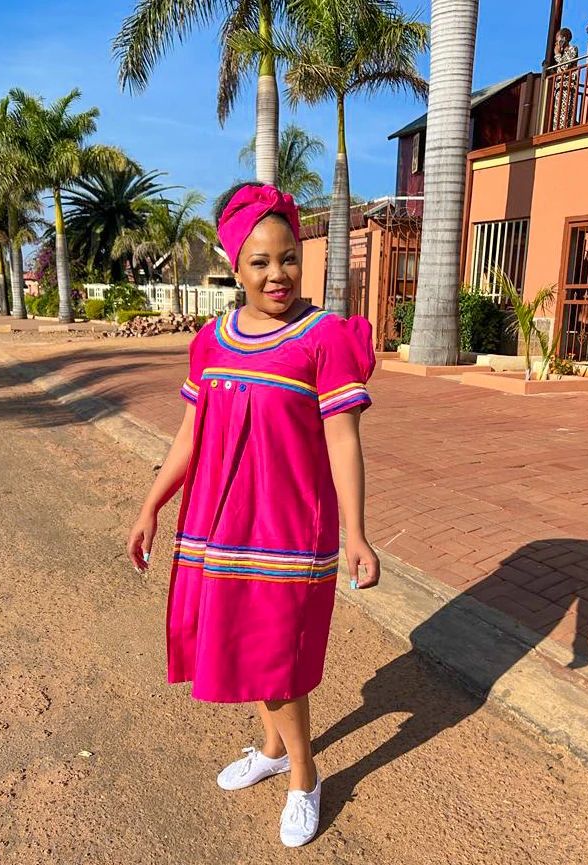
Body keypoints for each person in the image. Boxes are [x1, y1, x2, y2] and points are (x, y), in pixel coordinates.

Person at [127, 181, 380, 847]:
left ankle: (304, 777)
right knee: (245, 644)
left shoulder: (324, 338)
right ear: (234, 266)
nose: (278, 274)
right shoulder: (211, 340)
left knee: (275, 660)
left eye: (289, 257)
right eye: (260, 261)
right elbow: (191, 434)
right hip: (220, 526)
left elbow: (343, 440)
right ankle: (271, 750)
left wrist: (357, 532)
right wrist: (152, 504)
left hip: (291, 530)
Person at [552, 27, 579, 130]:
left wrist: (557, 54)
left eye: (558, 40)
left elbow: (564, 66)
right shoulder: (563, 53)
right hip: (560, 86)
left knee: (565, 111)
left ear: (563, 39)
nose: (557, 43)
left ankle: (564, 129)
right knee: (557, 112)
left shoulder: (573, 49)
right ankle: (556, 129)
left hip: (568, 86)